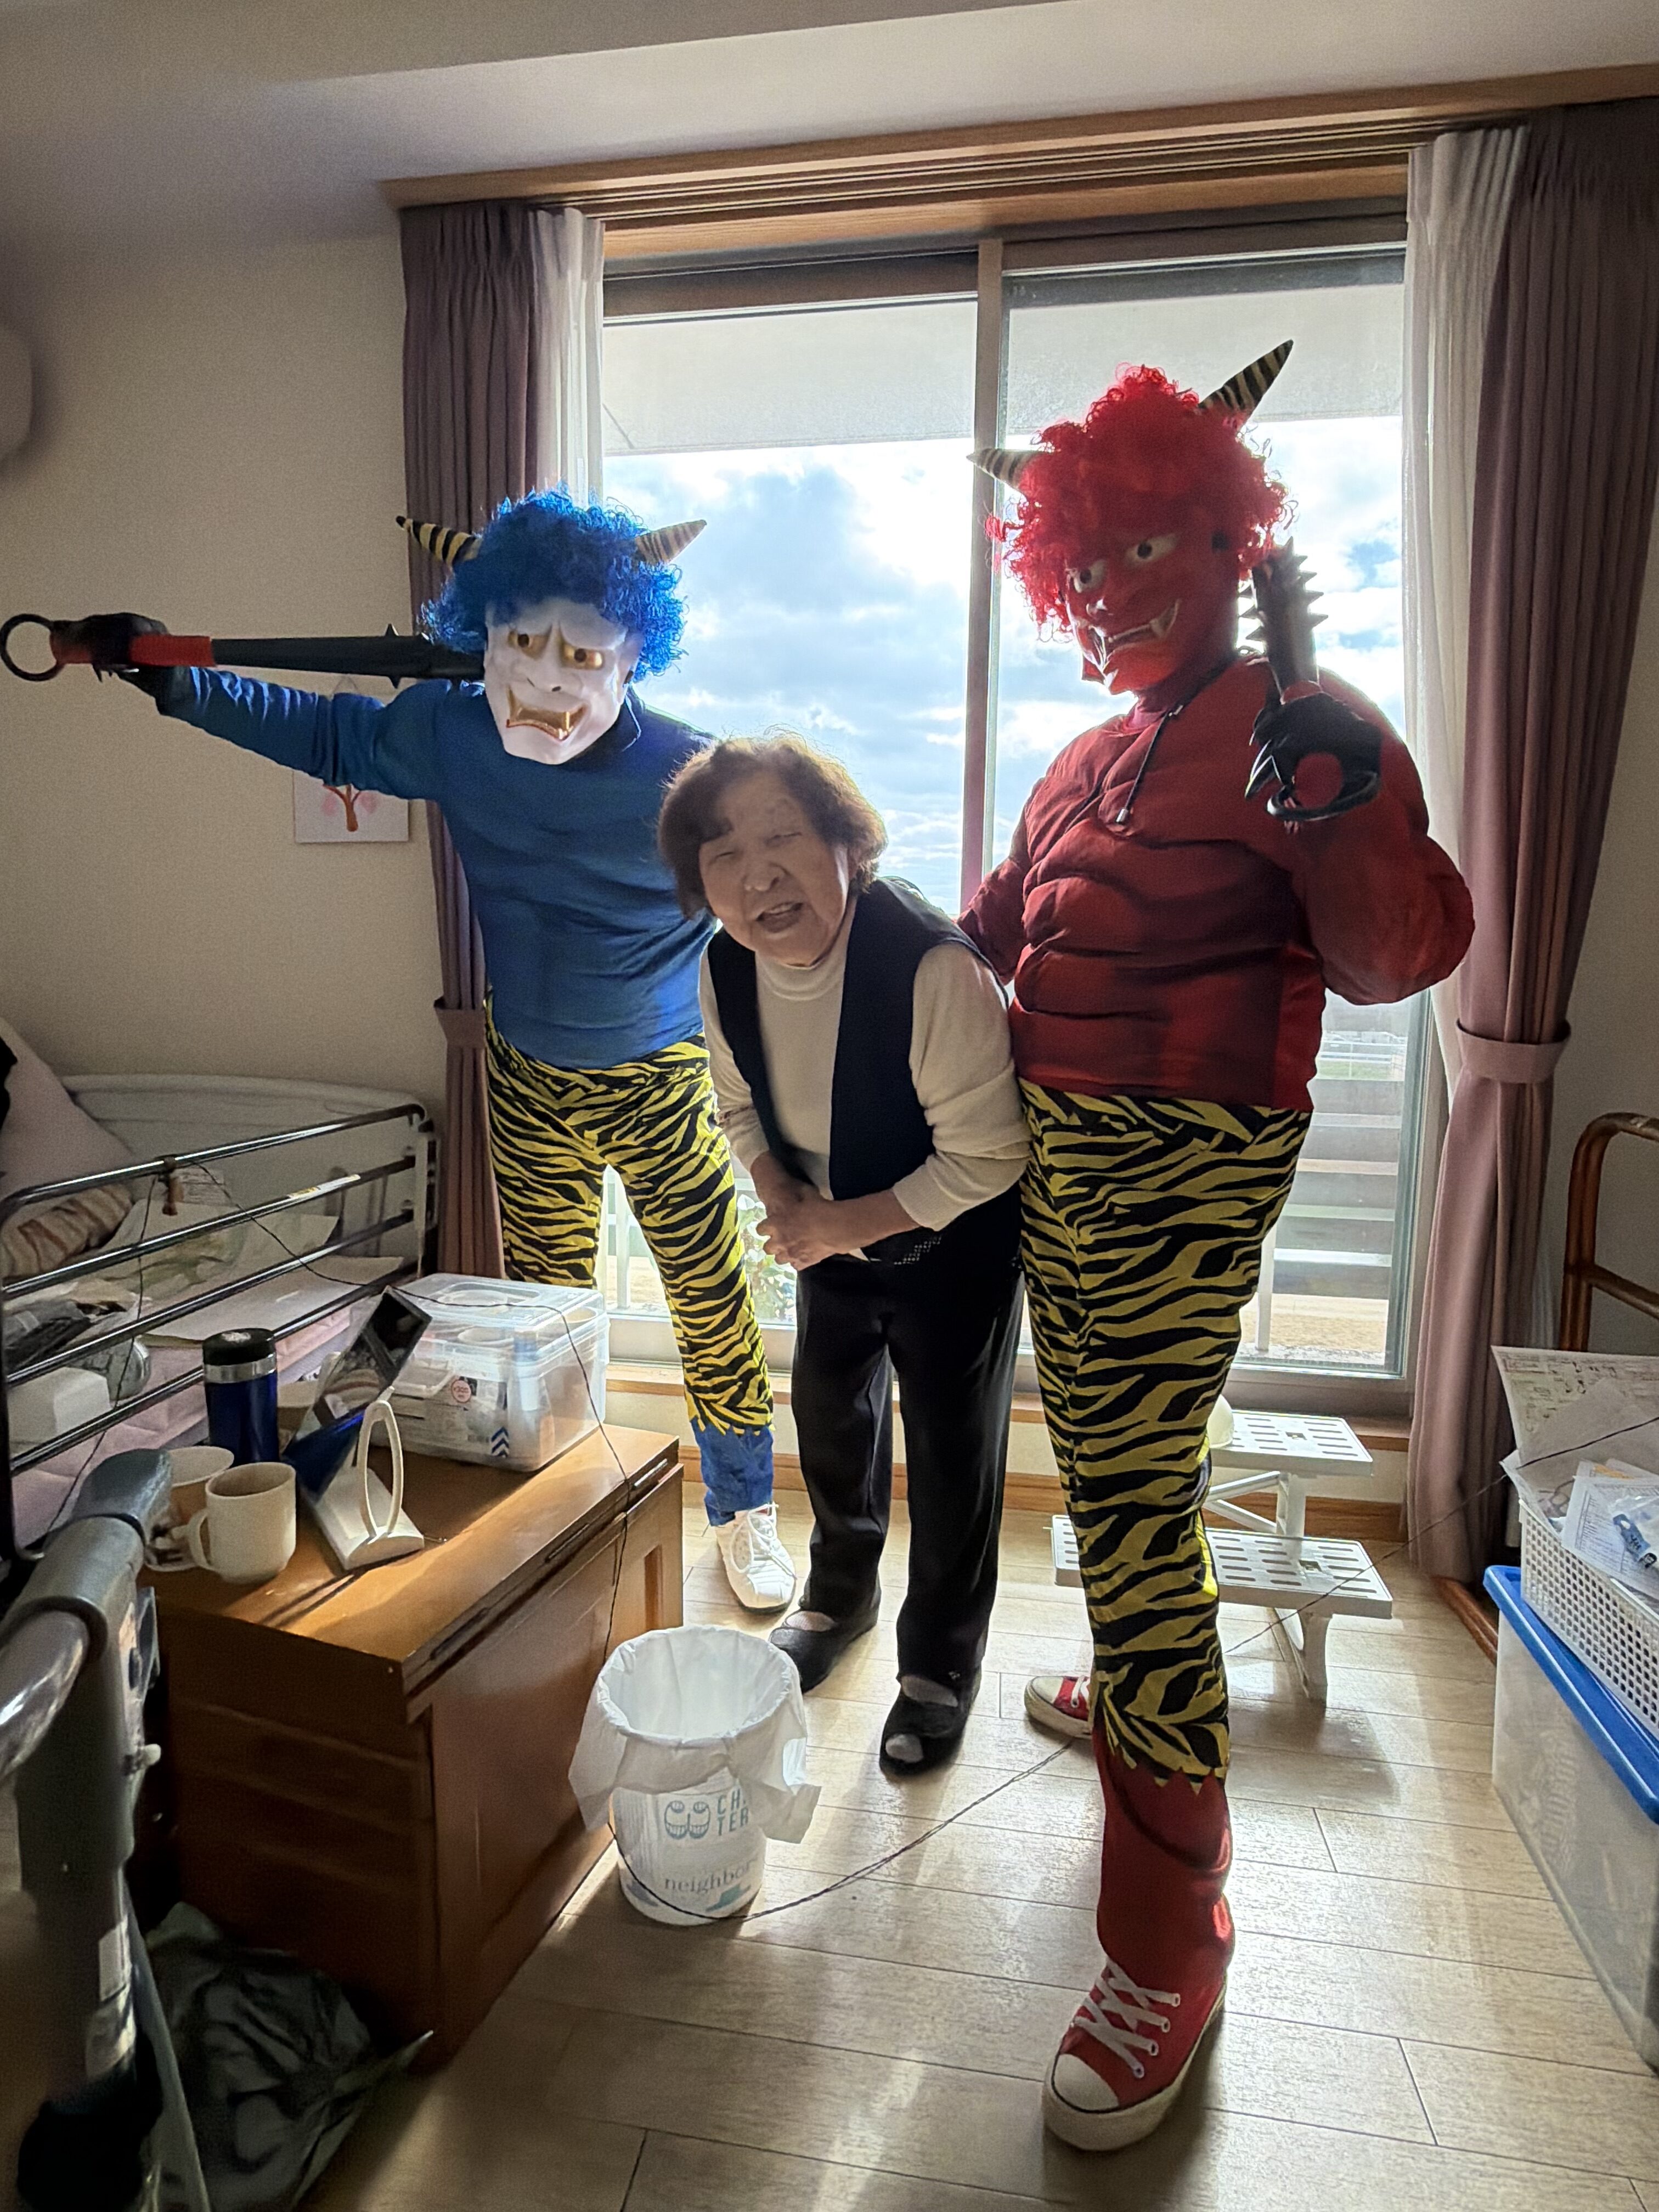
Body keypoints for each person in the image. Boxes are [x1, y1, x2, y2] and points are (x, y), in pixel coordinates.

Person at [962, 349, 1474, 2150]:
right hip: (1046, 1155)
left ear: (1226, 540)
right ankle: (1131, 1682)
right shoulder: (1075, 761)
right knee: (1128, 1471)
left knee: (1122, 1510)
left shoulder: (1302, 717)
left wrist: (1334, 795)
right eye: (1085, 563)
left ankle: (1171, 1938)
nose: (1112, 589)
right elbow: (989, 940)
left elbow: (1398, 958)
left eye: (1146, 548)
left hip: (1187, 1157)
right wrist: (816, 912)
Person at [88, 490, 795, 1611]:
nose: (548, 680)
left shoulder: (695, 778)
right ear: (482, 634)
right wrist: (174, 680)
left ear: (632, 654)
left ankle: (746, 1511)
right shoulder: (451, 732)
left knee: (711, 1301)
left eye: (580, 654)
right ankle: (572, 1507)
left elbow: (792, 904)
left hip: (661, 1082)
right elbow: (322, 732)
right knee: (549, 1319)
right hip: (525, 1077)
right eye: (522, 644)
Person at [658, 735, 1029, 1773]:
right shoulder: (725, 967)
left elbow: (990, 1154)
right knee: (829, 1419)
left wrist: (834, 1225)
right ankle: (839, 1597)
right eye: (725, 854)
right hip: (828, 1232)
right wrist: (785, 1201)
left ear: (848, 846)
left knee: (952, 1459)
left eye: (783, 837)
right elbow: (737, 1107)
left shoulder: (932, 963)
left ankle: (940, 1666)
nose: (758, 877)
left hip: (954, 1242)